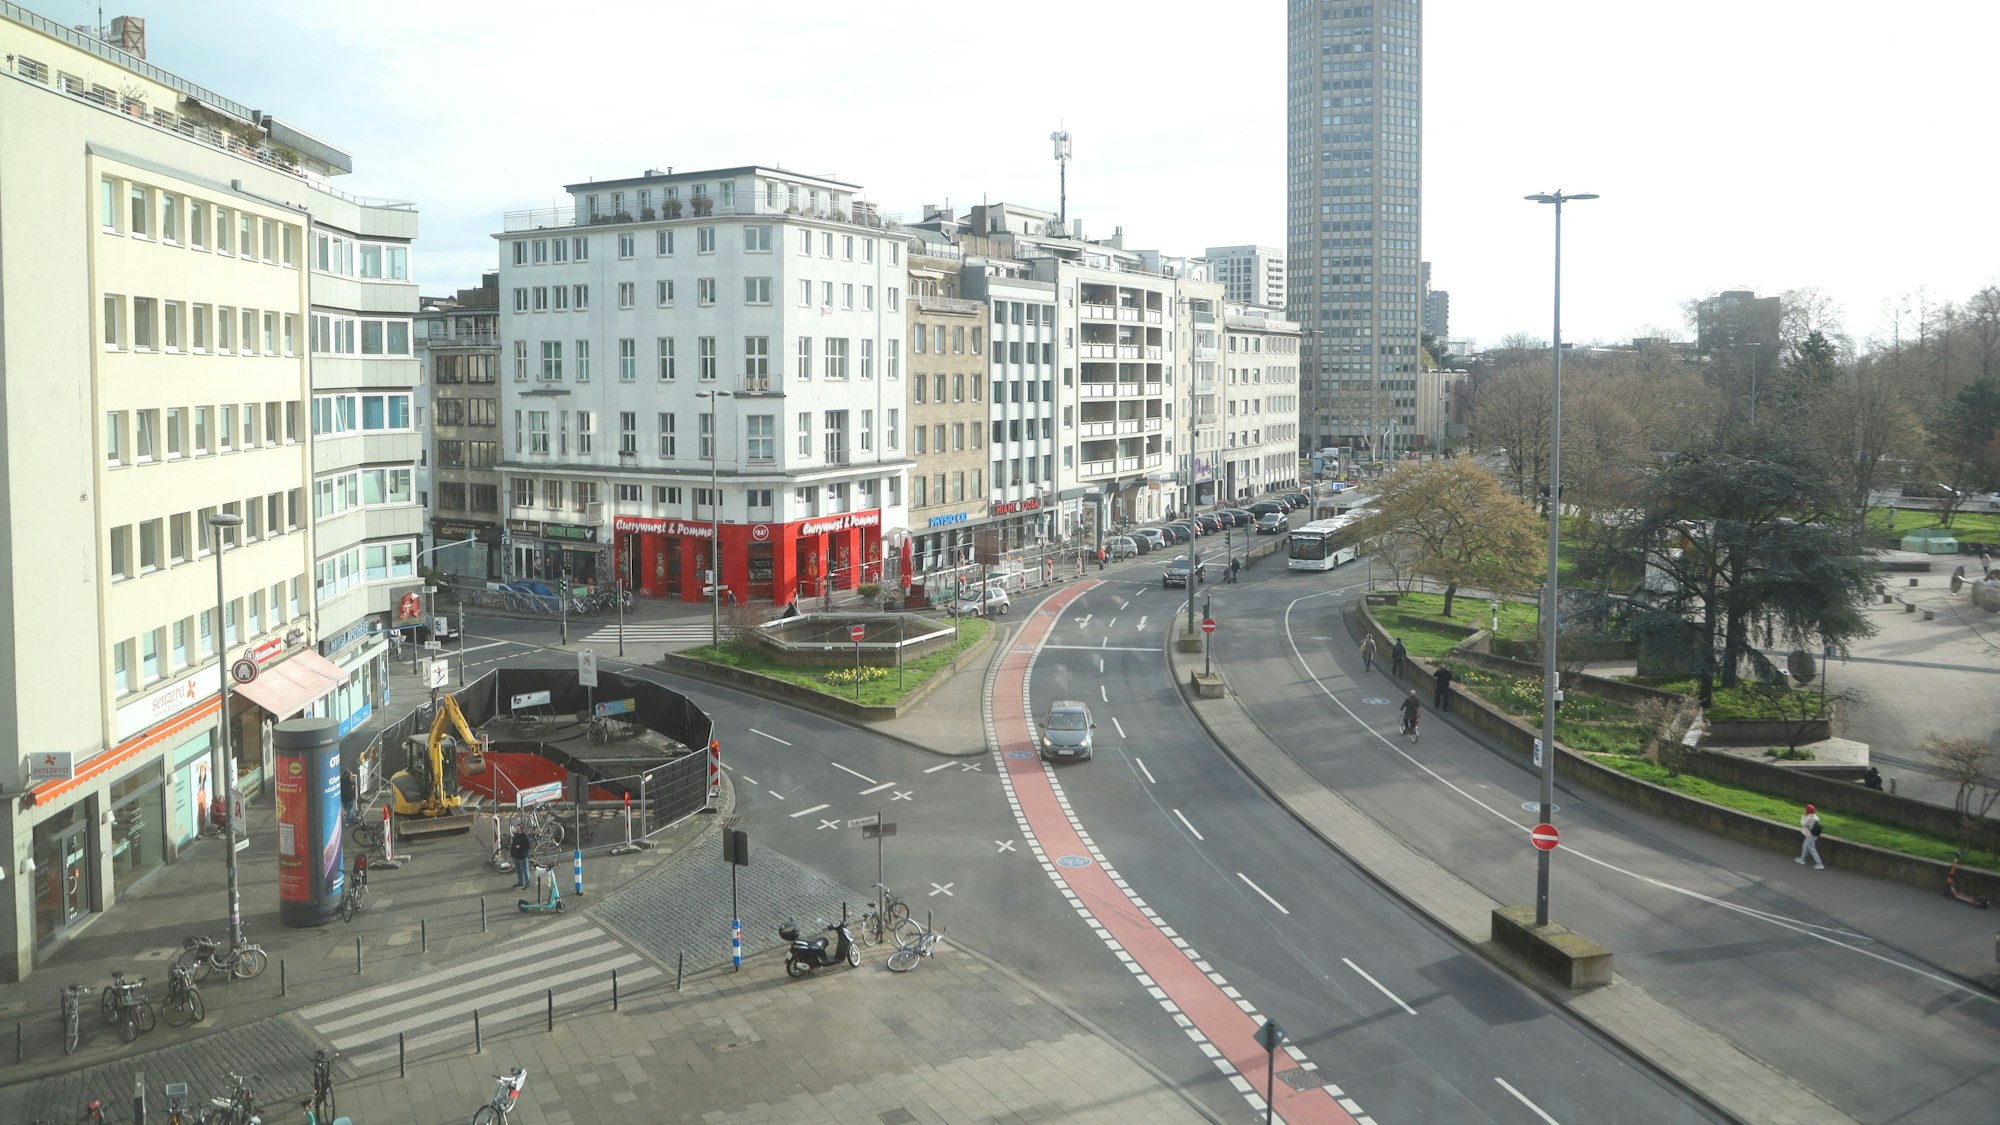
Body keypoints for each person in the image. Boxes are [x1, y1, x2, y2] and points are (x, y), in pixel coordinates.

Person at [1796, 803, 1825, 869]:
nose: (1805, 810)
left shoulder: (1809, 818)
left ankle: (1819, 864)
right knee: (1805, 846)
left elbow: (1803, 824)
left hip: (1810, 836)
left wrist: (1803, 817)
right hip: (1814, 835)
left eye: (1806, 809)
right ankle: (1802, 859)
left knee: (1812, 849)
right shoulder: (1815, 816)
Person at [510, 822, 534, 889]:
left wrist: (520, 847)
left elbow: (528, 846)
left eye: (518, 828)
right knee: (518, 870)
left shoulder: (525, 836)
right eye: (516, 828)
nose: (516, 829)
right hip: (516, 856)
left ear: (521, 829)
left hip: (523, 856)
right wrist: (512, 854)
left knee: (525, 870)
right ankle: (520, 882)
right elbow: (513, 845)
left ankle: (527, 884)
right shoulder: (515, 835)